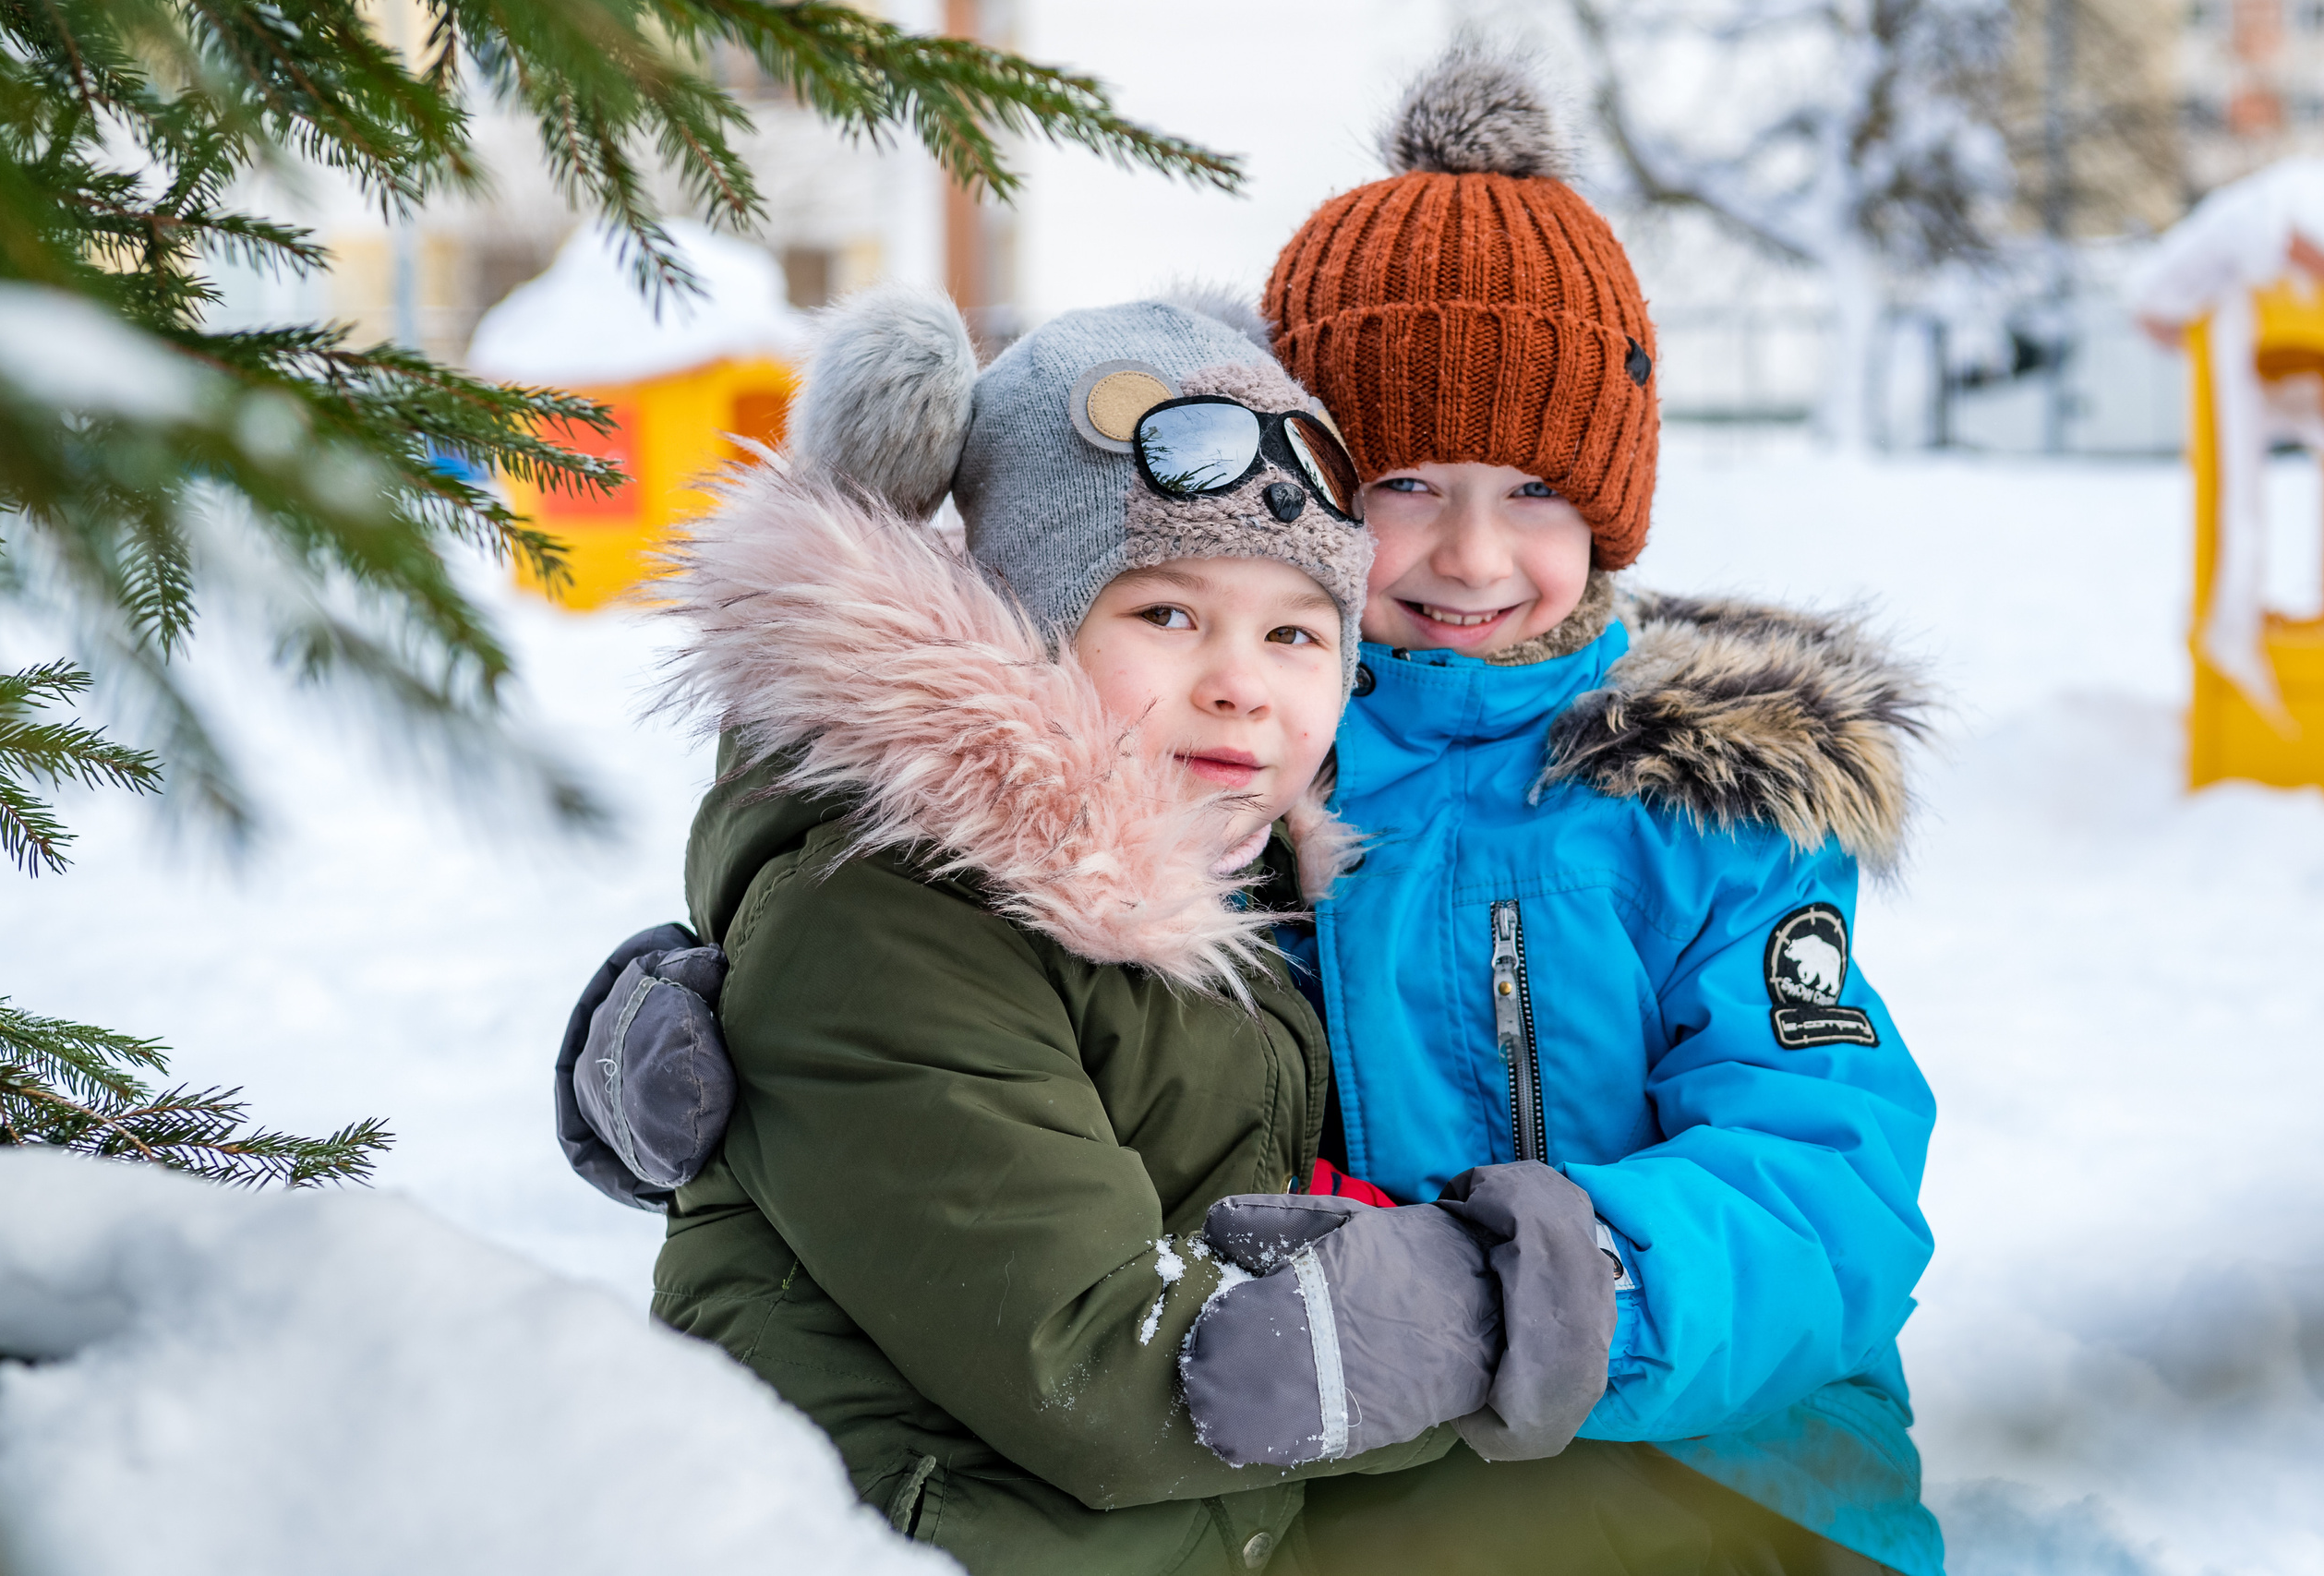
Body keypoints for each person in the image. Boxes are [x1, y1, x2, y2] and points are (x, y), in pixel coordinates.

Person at [562, 292, 1625, 1576]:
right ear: (1030, 619)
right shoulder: (895, 913)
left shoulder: (1241, 878)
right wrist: (1487, 1310)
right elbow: (1115, 1371)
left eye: (1295, 632)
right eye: (1168, 614)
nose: (1240, 679)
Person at [1185, 40, 1944, 1576]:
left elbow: (1824, 1171)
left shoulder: (1714, 804)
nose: (1471, 556)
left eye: (1535, 491)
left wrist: (1525, 1293)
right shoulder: (1235, 761)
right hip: (1333, 1469)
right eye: (1407, 484)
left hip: (1724, 1473)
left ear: (1608, 512)